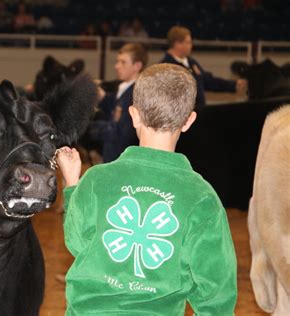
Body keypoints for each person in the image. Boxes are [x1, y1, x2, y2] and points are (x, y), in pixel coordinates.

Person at [56, 63, 237, 315]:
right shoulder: (202, 197)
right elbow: (217, 291)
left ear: (133, 115)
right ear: (189, 120)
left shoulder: (97, 179)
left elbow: (76, 241)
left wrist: (72, 183)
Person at [161, 25, 247, 108]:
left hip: (200, 112)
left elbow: (208, 80)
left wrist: (233, 85)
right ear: (177, 44)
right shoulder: (166, 67)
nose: (191, 45)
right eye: (188, 42)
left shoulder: (191, 62)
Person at [89, 43, 147, 163]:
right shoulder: (124, 88)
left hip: (122, 160)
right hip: (113, 156)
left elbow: (121, 133)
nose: (117, 66)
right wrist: (103, 97)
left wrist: (90, 127)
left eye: (123, 62)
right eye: (117, 61)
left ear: (137, 66)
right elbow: (114, 109)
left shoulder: (136, 94)